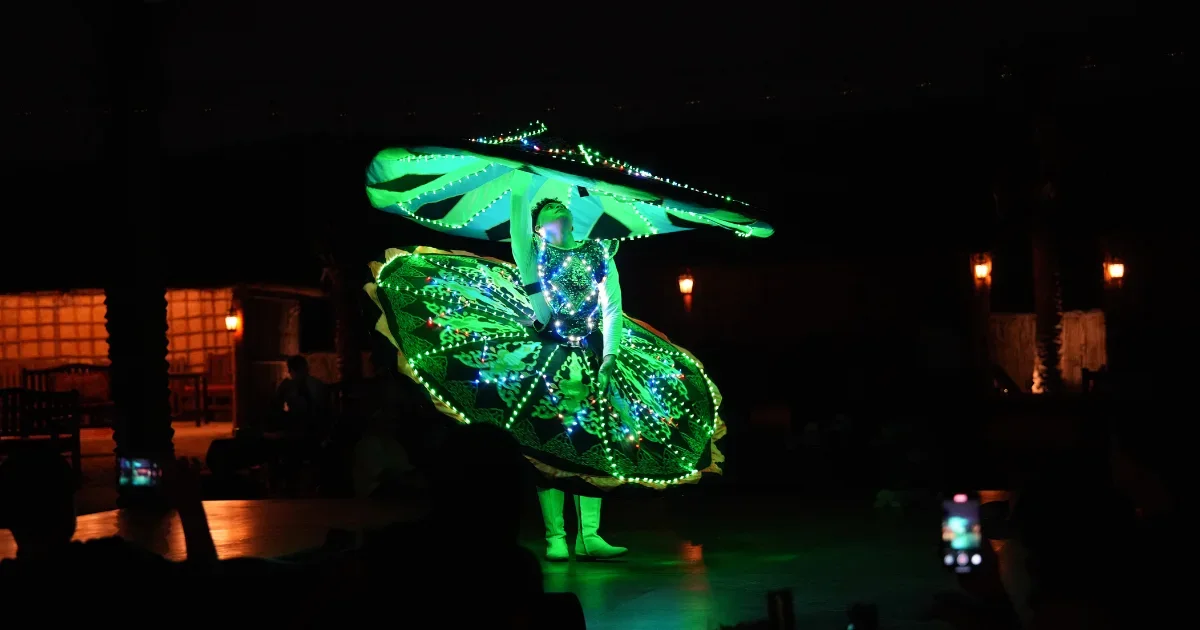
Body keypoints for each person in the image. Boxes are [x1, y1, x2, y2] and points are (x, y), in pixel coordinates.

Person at [366, 183, 726, 562]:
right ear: (538, 227)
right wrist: (525, 181)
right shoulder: (534, 251)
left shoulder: (598, 253)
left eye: (556, 208)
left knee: (592, 440)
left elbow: (612, 310)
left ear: (570, 219)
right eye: (543, 215)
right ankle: (556, 535)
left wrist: (609, 357)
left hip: (589, 352)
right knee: (549, 439)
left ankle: (590, 535)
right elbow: (519, 222)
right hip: (545, 349)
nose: (552, 213)